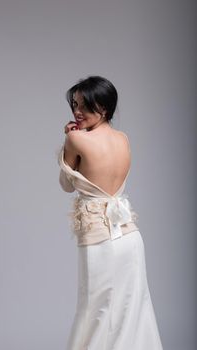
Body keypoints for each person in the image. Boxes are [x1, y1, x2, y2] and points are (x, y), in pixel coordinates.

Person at [58, 76, 163, 350]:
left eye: (84, 105)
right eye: (74, 104)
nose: (77, 112)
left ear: (103, 108)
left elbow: (66, 184)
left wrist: (67, 139)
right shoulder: (123, 138)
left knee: (94, 310)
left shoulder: (75, 139)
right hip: (130, 237)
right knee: (132, 309)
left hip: (99, 239)